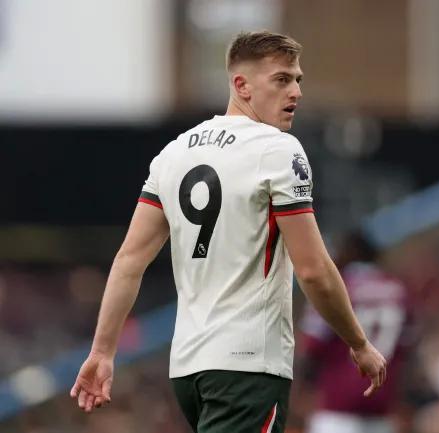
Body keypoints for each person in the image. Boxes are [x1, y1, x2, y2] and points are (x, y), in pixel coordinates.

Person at [69, 31, 387, 433]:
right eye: (281, 79)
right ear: (242, 85)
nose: (296, 92)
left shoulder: (173, 154)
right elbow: (312, 270)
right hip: (247, 366)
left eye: (297, 80)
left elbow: (129, 260)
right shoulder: (277, 149)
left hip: (188, 368)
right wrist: (358, 343)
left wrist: (102, 351)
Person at [298, 232, 410, 433]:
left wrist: (303, 390)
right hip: (381, 409)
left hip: (337, 410)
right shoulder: (398, 290)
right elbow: (407, 347)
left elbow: (312, 346)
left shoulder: (338, 288)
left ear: (349, 252)